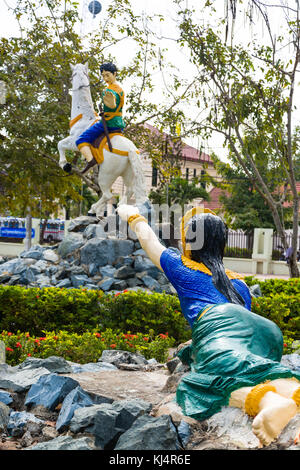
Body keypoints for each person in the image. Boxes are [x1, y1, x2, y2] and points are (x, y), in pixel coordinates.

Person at [116, 204, 300, 447]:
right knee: (253, 368)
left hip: (217, 323)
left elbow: (150, 241)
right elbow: (239, 331)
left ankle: (265, 401)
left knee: (198, 384)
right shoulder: (239, 283)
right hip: (265, 332)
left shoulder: (181, 267)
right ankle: (291, 392)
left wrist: (132, 215)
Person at [76, 62, 125, 174]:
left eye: (107, 75)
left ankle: (91, 160)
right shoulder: (120, 90)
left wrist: (110, 101)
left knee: (81, 139)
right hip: (119, 123)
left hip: (108, 123)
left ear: (115, 74)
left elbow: (112, 104)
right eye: (103, 76)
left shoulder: (109, 91)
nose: (105, 78)